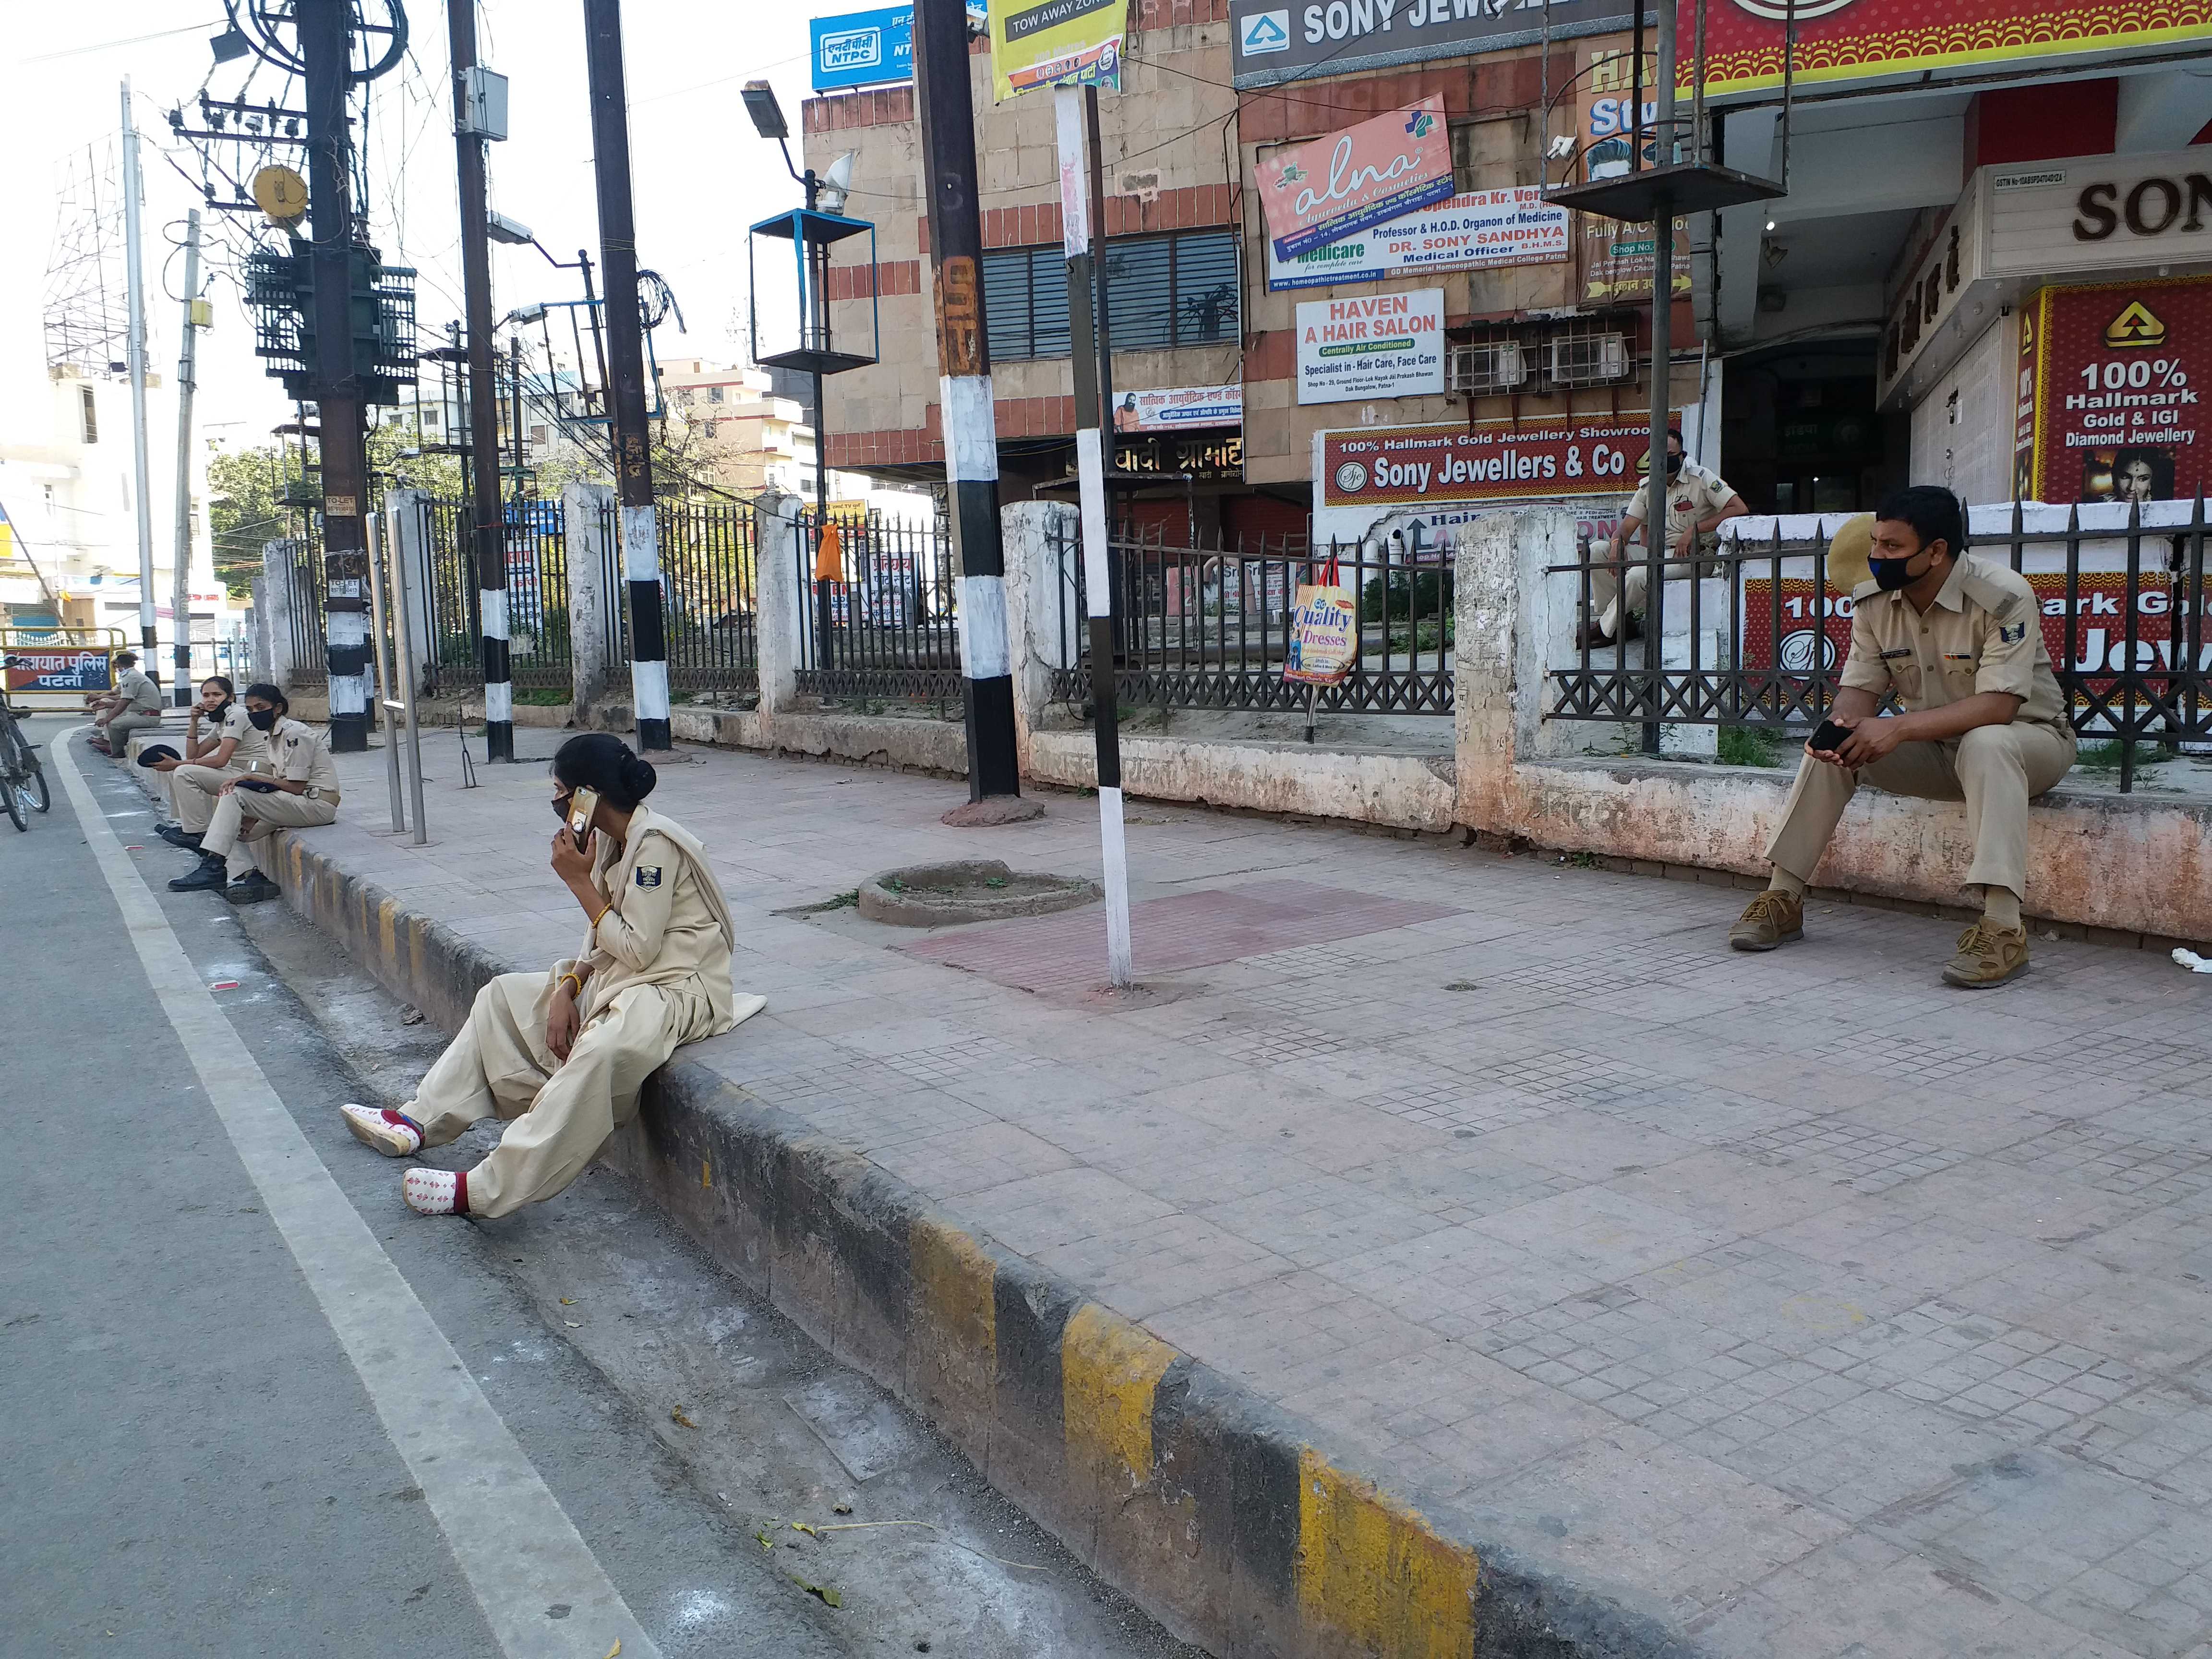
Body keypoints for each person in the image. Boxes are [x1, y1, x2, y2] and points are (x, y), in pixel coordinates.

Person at [337, 733, 763, 1218]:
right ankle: (418, 1120)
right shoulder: (609, 839)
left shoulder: (655, 847)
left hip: (675, 988)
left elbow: (639, 950)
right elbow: (604, 932)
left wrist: (578, 882)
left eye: (561, 789)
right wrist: (571, 985)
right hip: (626, 974)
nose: (557, 800)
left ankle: (483, 1190)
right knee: (503, 998)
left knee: (602, 1050)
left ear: (587, 794)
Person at [1728, 485, 2078, 987]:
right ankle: (1783, 898)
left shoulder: (2003, 596)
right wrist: (1839, 730)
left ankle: (2003, 929)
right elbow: (1859, 691)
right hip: (1937, 752)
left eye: (1892, 547)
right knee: (1834, 751)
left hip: (2028, 745)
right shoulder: (1874, 603)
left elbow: (2000, 707)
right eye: (1876, 543)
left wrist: (1897, 728)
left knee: (1987, 741)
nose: (1877, 557)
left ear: (1936, 551)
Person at [168, 685, 339, 902]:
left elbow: (295, 787)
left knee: (234, 794)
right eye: (250, 709)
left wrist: (253, 779)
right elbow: (279, 787)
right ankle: (253, 877)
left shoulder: (294, 733)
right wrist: (252, 814)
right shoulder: (271, 736)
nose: (255, 713)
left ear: (277, 708)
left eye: (261, 707)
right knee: (233, 831)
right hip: (295, 803)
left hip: (316, 805)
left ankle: (213, 868)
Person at [1586, 429, 1748, 647]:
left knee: (1639, 574)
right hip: (1660, 554)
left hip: (1694, 556)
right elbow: (1626, 527)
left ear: (1682, 455)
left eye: (1670, 455)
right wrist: (1617, 543)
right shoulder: (1648, 486)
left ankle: (1604, 629)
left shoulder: (1700, 478)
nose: (1664, 460)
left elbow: (1739, 509)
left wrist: (1694, 530)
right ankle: (1619, 623)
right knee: (1598, 550)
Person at [149, 676, 270, 850]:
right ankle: (188, 827)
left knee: (183, 771)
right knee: (179, 769)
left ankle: (198, 833)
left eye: (217, 694)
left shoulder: (236, 715)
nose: (211, 700)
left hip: (256, 775)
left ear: (230, 697)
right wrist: (194, 721)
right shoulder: (223, 720)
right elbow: (194, 754)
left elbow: (221, 760)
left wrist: (177, 764)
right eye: (206, 696)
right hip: (239, 771)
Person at [89, 652, 163, 761]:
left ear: (118, 665)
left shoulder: (131, 677)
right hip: (140, 713)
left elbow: (124, 702)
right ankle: (110, 742)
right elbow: (124, 699)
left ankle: (117, 752)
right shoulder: (132, 676)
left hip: (146, 717)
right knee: (110, 712)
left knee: (114, 724)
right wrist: (105, 704)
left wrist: (106, 719)